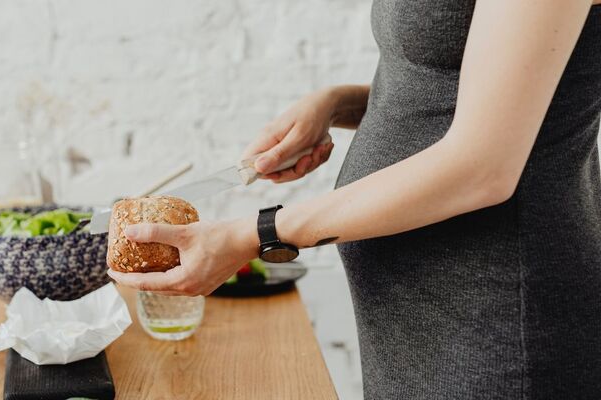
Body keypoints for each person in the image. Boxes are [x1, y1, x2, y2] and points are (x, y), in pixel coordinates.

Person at [109, 1, 601, 398]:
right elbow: (459, 83)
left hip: (495, 312)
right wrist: (335, 104)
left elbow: (484, 167)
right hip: (412, 313)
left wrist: (255, 233)